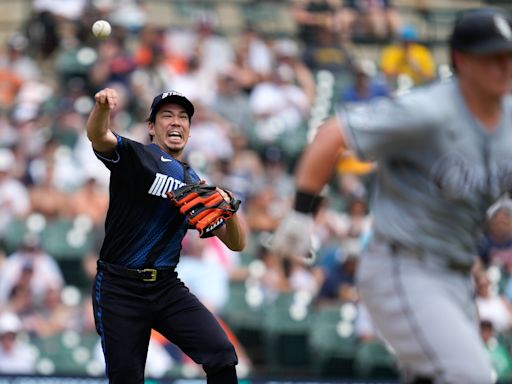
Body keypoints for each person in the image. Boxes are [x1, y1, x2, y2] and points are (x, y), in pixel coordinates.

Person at [272, 7, 512, 383]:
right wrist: (303, 212)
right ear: (461, 61)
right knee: (471, 376)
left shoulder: (508, 121)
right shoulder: (429, 110)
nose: (503, 66)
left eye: (508, 55)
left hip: (456, 275)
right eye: (491, 57)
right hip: (402, 267)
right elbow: (335, 132)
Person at [86, 88, 247, 384]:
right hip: (119, 287)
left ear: (189, 129)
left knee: (222, 354)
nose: (176, 122)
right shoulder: (136, 156)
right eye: (167, 115)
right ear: (151, 126)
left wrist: (230, 208)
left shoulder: (194, 183)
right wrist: (101, 107)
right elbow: (99, 136)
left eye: (183, 116)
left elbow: (236, 244)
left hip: (165, 287)